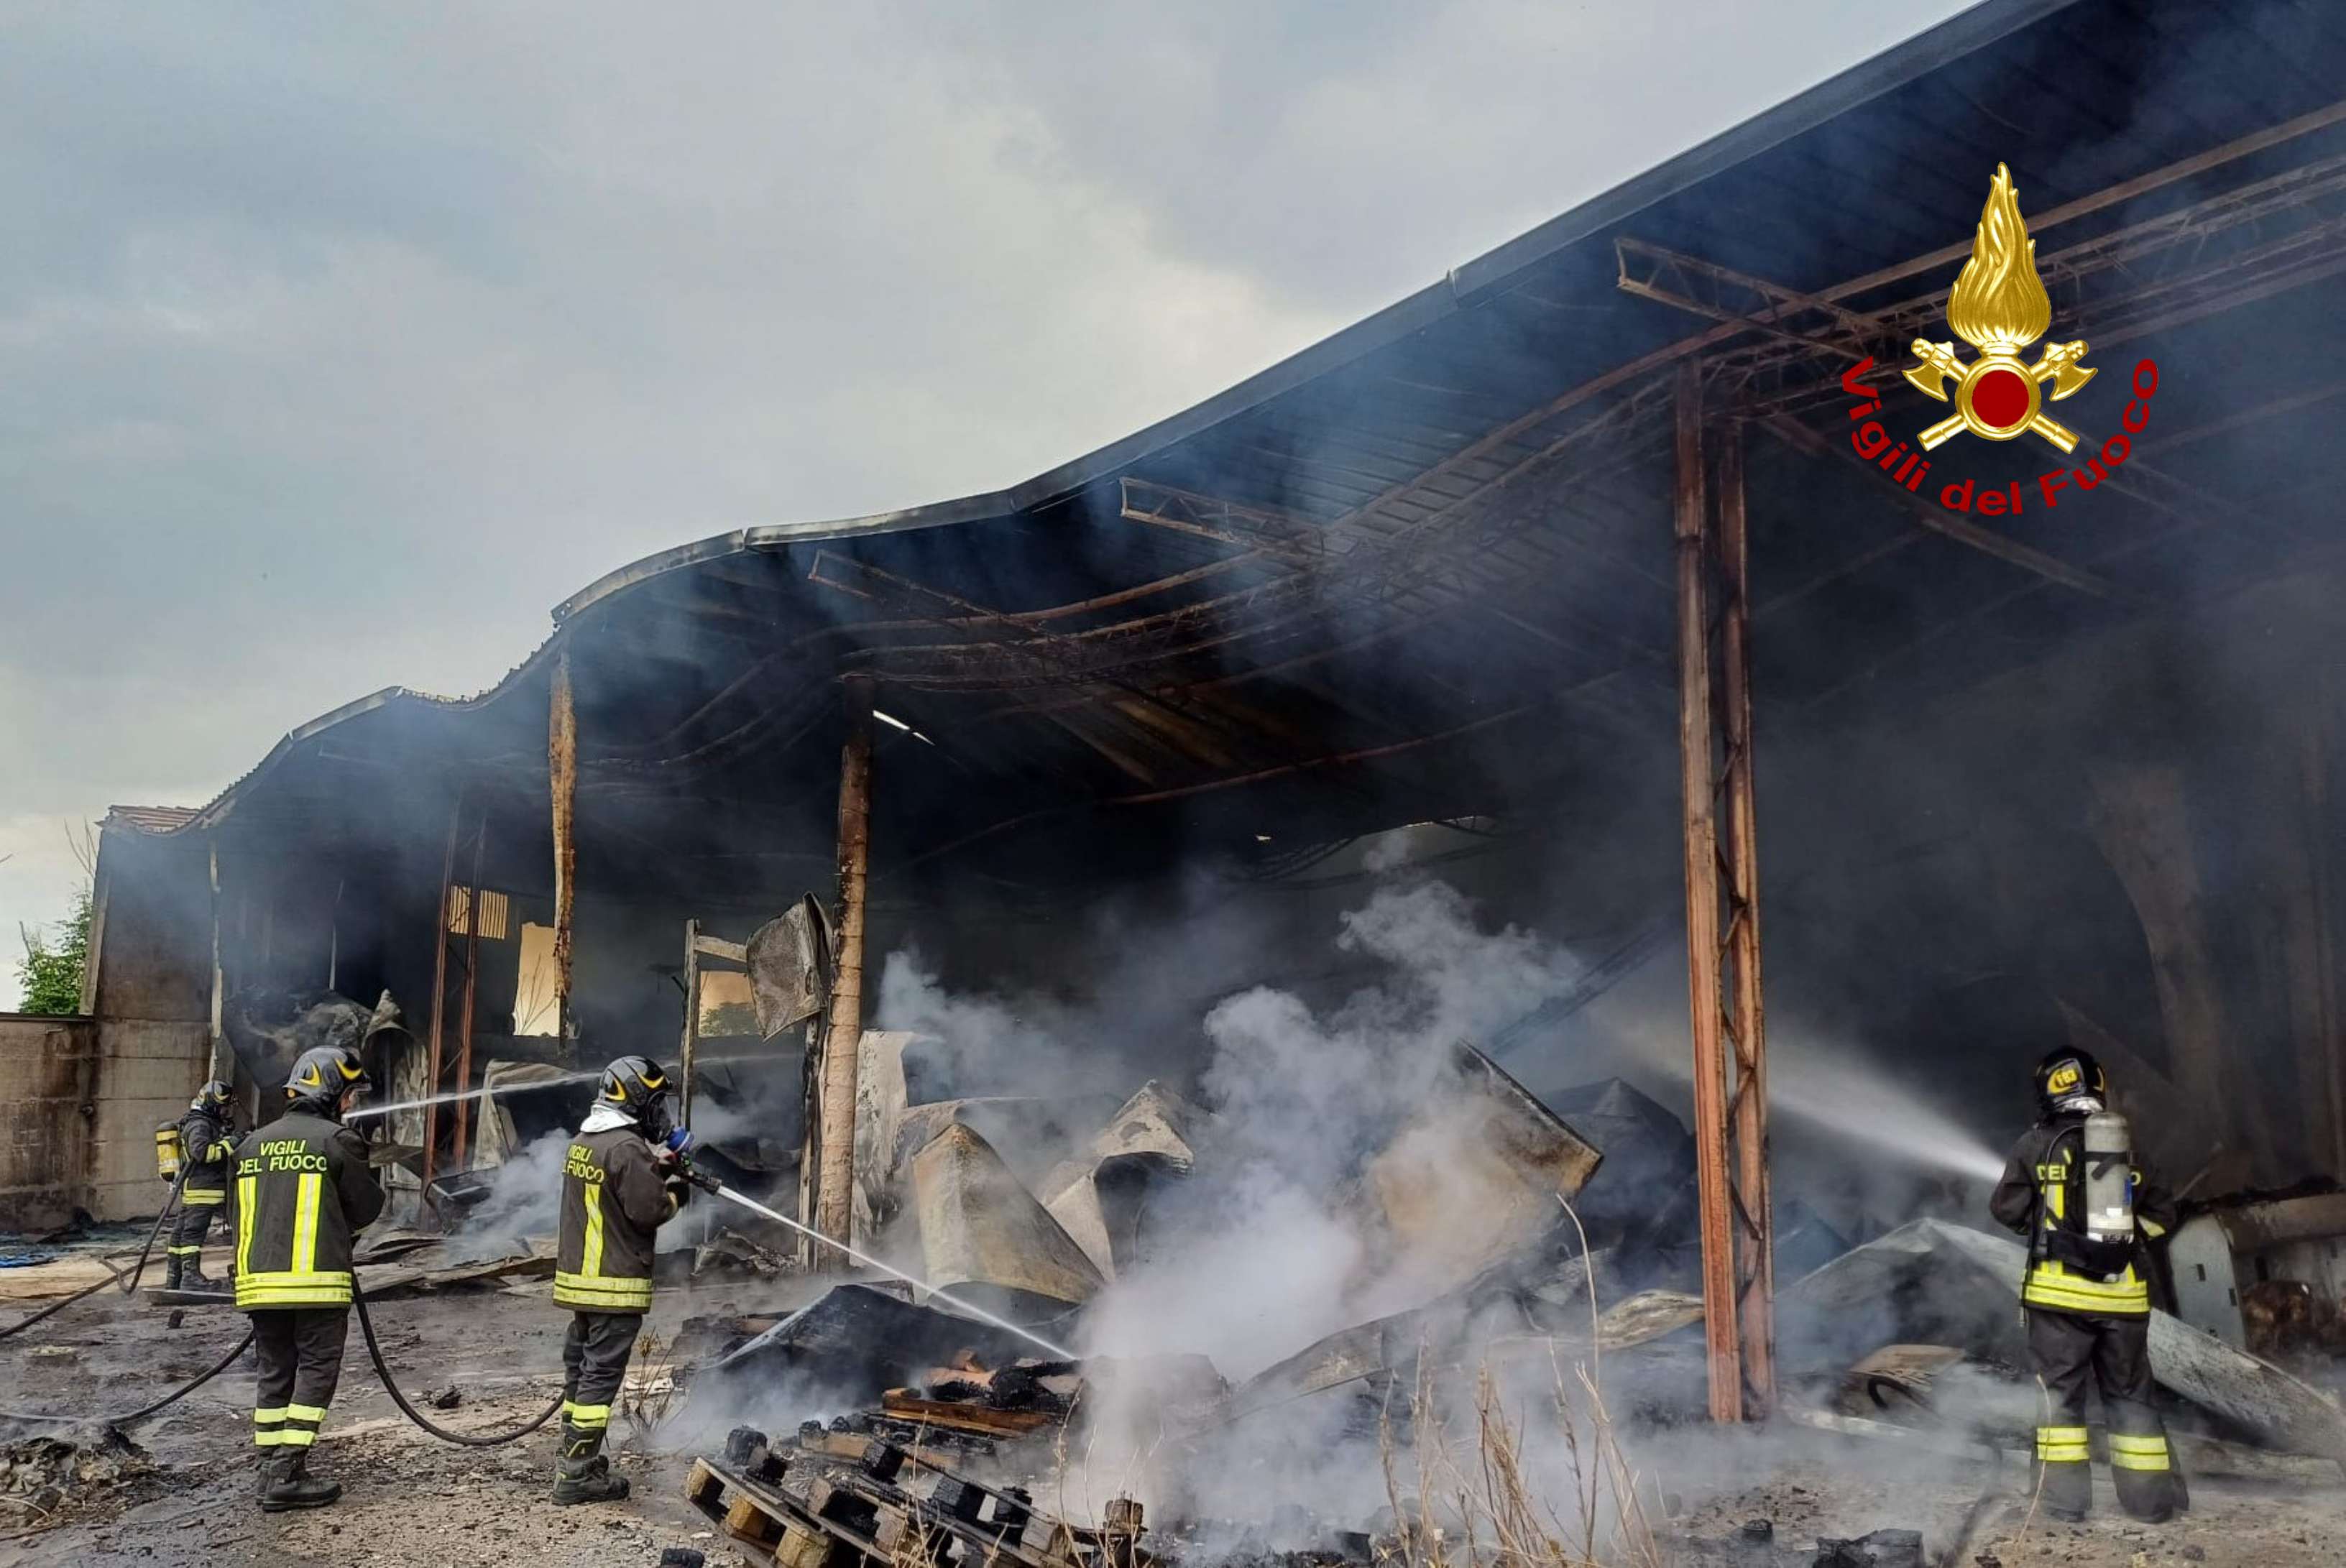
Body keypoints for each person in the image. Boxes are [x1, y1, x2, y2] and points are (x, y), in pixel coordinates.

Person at [1989, 1047, 2180, 1523]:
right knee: (2131, 1399)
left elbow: (2006, 1210)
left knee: (2060, 1401)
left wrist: (2046, 1233)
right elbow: (2163, 1216)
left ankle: (2064, 1504)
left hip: (2057, 1302)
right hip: (2124, 1300)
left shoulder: (2034, 1145)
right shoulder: (2129, 1147)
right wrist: (2127, 1245)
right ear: (2097, 1083)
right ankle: (2151, 1505)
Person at [227, 1043, 385, 1513]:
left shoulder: (250, 1145)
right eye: (350, 1093)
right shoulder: (337, 1142)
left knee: (275, 1373)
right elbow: (368, 1207)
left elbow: (235, 1217)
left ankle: (268, 1463)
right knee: (316, 1372)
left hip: (259, 1285)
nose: (352, 1103)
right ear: (331, 1089)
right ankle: (286, 1471)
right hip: (316, 1284)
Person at [551, 1055, 691, 1505]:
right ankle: (575, 1476)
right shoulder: (627, 1149)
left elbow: (616, 1190)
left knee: (582, 1371)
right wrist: (676, 1193)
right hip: (614, 1284)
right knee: (600, 1379)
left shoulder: (586, 1142)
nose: (660, 1114)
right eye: (655, 1103)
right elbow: (647, 1211)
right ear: (634, 1100)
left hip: (581, 1282)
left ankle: (576, 1457)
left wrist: (659, 1168)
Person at [166, 1080, 239, 1293]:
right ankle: (190, 1278)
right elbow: (203, 1153)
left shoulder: (201, 1122)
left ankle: (175, 1277)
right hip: (205, 1190)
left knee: (181, 1234)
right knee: (193, 1235)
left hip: (198, 1189)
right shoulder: (199, 1125)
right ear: (211, 1105)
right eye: (223, 1108)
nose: (226, 1113)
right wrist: (232, 1143)